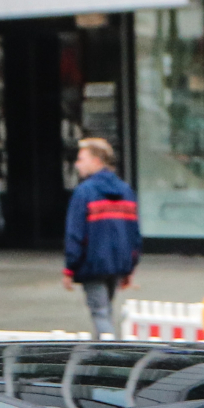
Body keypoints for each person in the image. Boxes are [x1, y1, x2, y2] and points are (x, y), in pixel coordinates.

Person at [62, 137, 138, 340]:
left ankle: (109, 353)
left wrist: (70, 267)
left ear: (96, 161)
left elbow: (75, 234)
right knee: (106, 310)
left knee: (100, 312)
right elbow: (133, 232)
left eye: (81, 159)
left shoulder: (84, 192)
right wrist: (130, 266)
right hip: (118, 263)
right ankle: (101, 352)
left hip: (92, 263)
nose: (77, 164)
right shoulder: (125, 190)